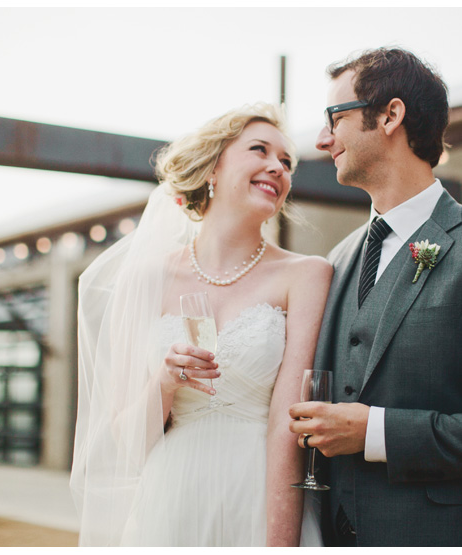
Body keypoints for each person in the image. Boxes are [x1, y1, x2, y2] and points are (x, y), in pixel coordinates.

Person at [289, 47, 462, 546]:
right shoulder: (339, 258)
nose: (323, 138)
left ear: (391, 114)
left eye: (335, 116)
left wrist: (377, 432)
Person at [70, 103, 332, 546]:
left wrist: (280, 540)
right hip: (169, 501)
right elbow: (128, 444)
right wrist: (165, 381)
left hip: (258, 495)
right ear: (213, 167)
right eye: (260, 150)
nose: (278, 168)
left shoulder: (306, 274)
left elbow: (286, 423)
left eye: (286, 163)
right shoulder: (146, 278)